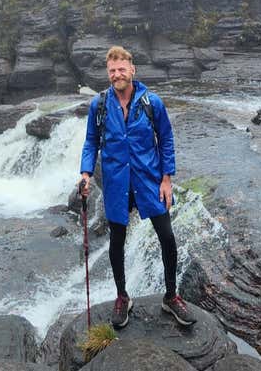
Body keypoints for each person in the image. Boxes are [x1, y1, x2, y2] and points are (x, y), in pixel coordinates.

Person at [79, 45, 196, 328]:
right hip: (117, 182)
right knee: (117, 240)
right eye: (112, 71)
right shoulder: (100, 104)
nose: (117, 74)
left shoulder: (151, 102)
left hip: (149, 180)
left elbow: (166, 140)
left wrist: (167, 179)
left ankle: (171, 296)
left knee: (166, 237)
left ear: (132, 70)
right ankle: (122, 297)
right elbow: (91, 141)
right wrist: (85, 174)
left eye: (121, 69)